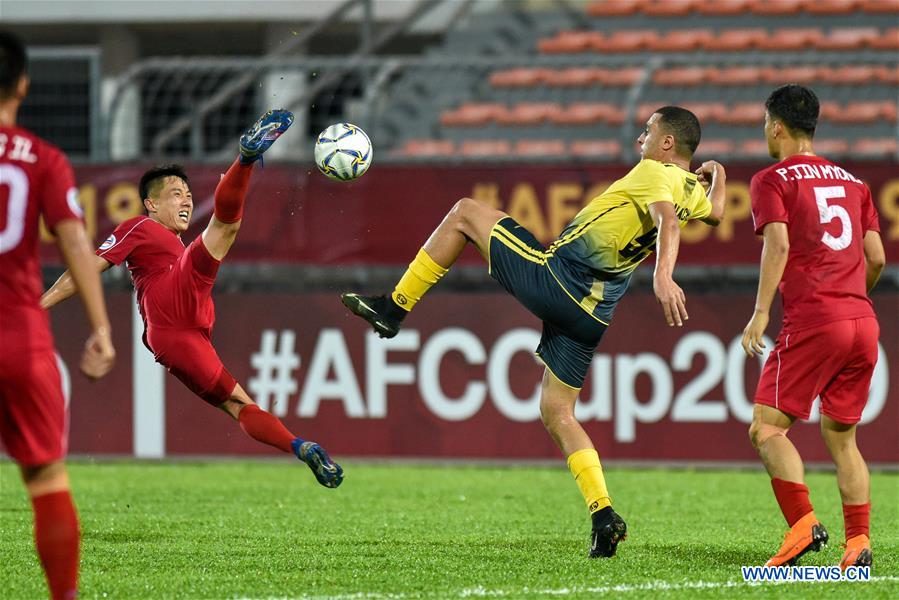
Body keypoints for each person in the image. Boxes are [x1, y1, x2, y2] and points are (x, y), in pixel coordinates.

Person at [342, 106, 726, 557]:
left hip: (558, 280)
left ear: (667, 144)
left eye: (648, 130)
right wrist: (717, 174)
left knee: (465, 213)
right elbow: (716, 214)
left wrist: (663, 274)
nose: (640, 137)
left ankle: (394, 307)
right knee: (557, 412)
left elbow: (667, 219)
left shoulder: (654, 172)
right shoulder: (686, 186)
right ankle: (603, 513)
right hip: (592, 316)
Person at [41, 109, 344, 489]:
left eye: (187, 194)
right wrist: (39, 307)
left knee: (240, 406)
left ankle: (300, 446)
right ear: (151, 204)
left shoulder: (172, 241)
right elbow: (86, 267)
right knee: (225, 226)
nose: (185, 200)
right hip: (172, 302)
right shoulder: (139, 225)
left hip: (183, 331)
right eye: (174, 195)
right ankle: (246, 159)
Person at [741, 84, 885, 570]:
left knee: (766, 428)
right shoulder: (855, 183)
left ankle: (803, 526)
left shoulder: (771, 179)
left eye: (765, 124)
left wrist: (761, 312)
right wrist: (851, 296)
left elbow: (777, 246)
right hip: (863, 321)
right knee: (843, 440)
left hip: (814, 319)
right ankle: (858, 543)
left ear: (776, 126)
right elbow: (878, 257)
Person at [0, 30, 116, 600]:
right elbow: (75, 244)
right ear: (22, 84)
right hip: (20, 338)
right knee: (46, 479)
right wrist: (100, 327)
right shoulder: (44, 160)